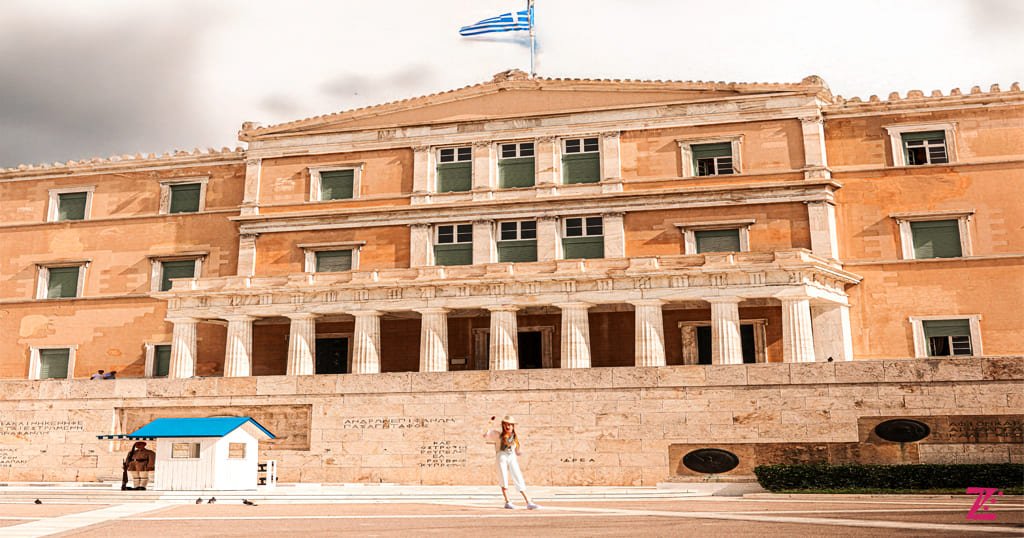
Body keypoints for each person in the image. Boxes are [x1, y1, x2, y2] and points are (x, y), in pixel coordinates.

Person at [483, 415, 539, 510]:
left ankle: (528, 501)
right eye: (506, 424)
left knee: (518, 476)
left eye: (510, 425)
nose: (508, 427)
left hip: (511, 457)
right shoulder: (498, 435)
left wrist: (519, 452)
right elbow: (485, 435)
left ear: (513, 426)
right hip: (502, 456)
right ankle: (508, 501)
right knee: (503, 477)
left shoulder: (515, 437)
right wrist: (490, 423)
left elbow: (517, 450)